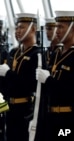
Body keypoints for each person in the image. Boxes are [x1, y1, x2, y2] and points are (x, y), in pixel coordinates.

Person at [0, 13, 42, 141]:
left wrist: (8, 73)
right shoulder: (13, 52)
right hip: (9, 109)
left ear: (33, 29)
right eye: (16, 28)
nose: (17, 31)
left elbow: (28, 84)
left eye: (21, 27)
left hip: (25, 110)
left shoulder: (37, 54)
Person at [35, 11, 74, 141]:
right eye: (56, 26)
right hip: (49, 118)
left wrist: (48, 80)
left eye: (61, 27)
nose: (57, 30)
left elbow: (70, 92)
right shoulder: (55, 54)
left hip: (67, 120)